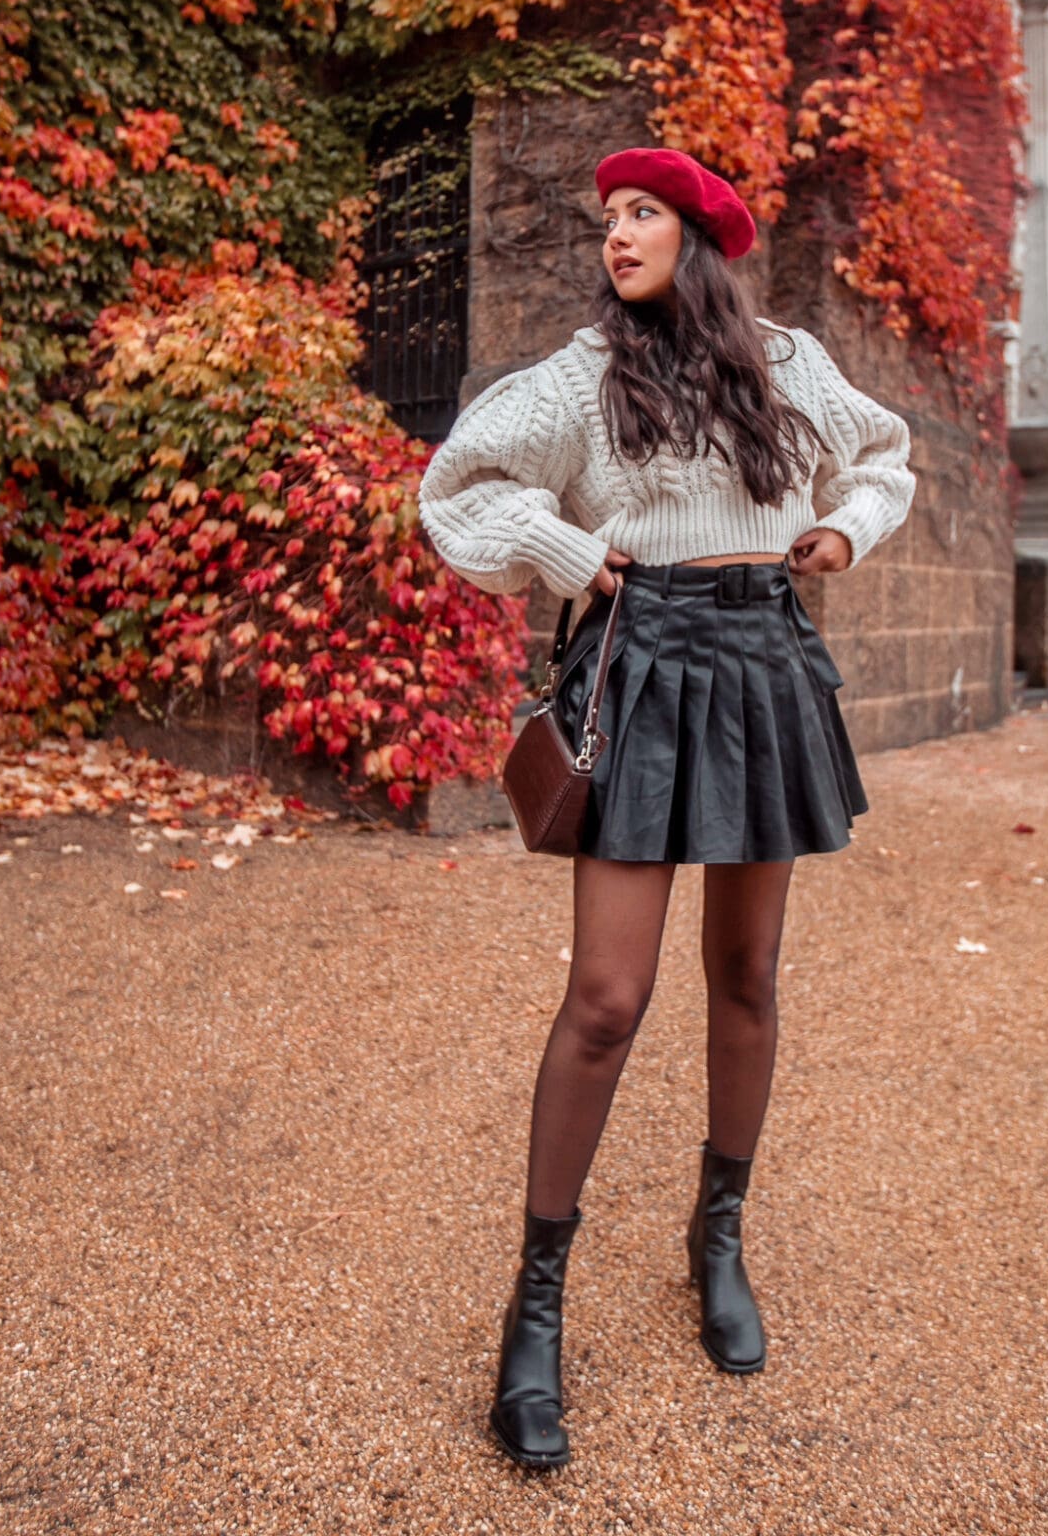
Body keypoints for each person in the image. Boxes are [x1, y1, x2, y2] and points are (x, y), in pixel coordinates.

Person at [417, 146, 916, 1470]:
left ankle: (719, 1238)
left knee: (745, 973)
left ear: (695, 237)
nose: (615, 234)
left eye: (641, 214)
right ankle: (535, 1310)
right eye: (608, 218)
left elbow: (885, 456)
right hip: (638, 661)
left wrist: (842, 533)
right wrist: (572, 553)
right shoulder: (580, 375)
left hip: (762, 660)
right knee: (604, 996)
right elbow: (457, 483)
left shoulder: (789, 363)